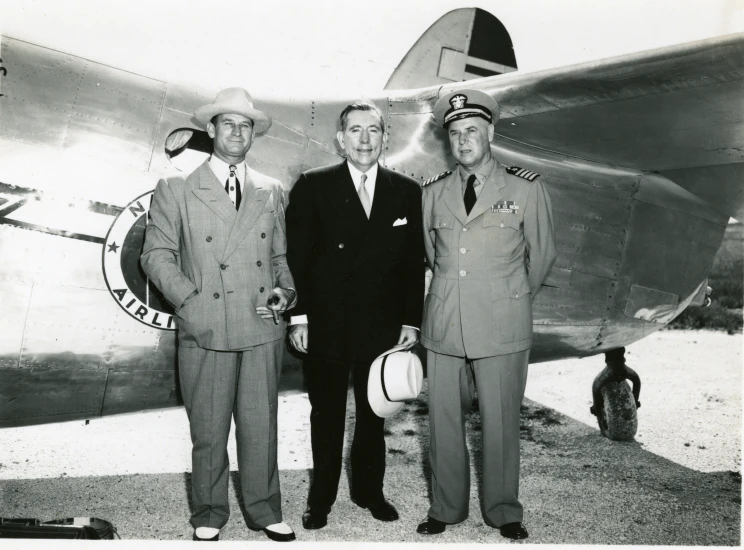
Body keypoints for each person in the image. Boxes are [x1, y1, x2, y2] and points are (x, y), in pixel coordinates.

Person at [141, 87, 297, 543]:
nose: (236, 132)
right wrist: (190, 301)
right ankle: (209, 512)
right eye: (227, 123)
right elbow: (156, 256)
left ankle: (265, 511)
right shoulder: (176, 187)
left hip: (260, 324)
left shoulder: (271, 189)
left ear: (253, 135)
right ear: (210, 130)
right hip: (205, 325)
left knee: (260, 426)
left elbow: (280, 259)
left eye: (245, 125)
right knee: (208, 430)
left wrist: (286, 292)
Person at [416, 89, 557, 540]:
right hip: (444, 323)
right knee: (442, 421)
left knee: (499, 422)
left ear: (490, 132)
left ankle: (503, 510)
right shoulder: (433, 192)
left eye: (472, 131)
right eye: (455, 133)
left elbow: (542, 257)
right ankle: (446, 507)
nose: (463, 140)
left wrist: (507, 298)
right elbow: (431, 256)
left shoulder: (525, 188)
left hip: (500, 323)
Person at [285, 100, 424, 530]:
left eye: (374, 131)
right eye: (356, 130)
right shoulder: (313, 185)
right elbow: (297, 259)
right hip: (325, 324)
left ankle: (369, 493)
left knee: (372, 416)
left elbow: (411, 263)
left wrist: (410, 320)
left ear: (386, 139)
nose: (365, 139)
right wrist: (299, 317)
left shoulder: (405, 190)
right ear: (340, 139)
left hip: (379, 326)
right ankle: (320, 500)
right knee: (325, 417)